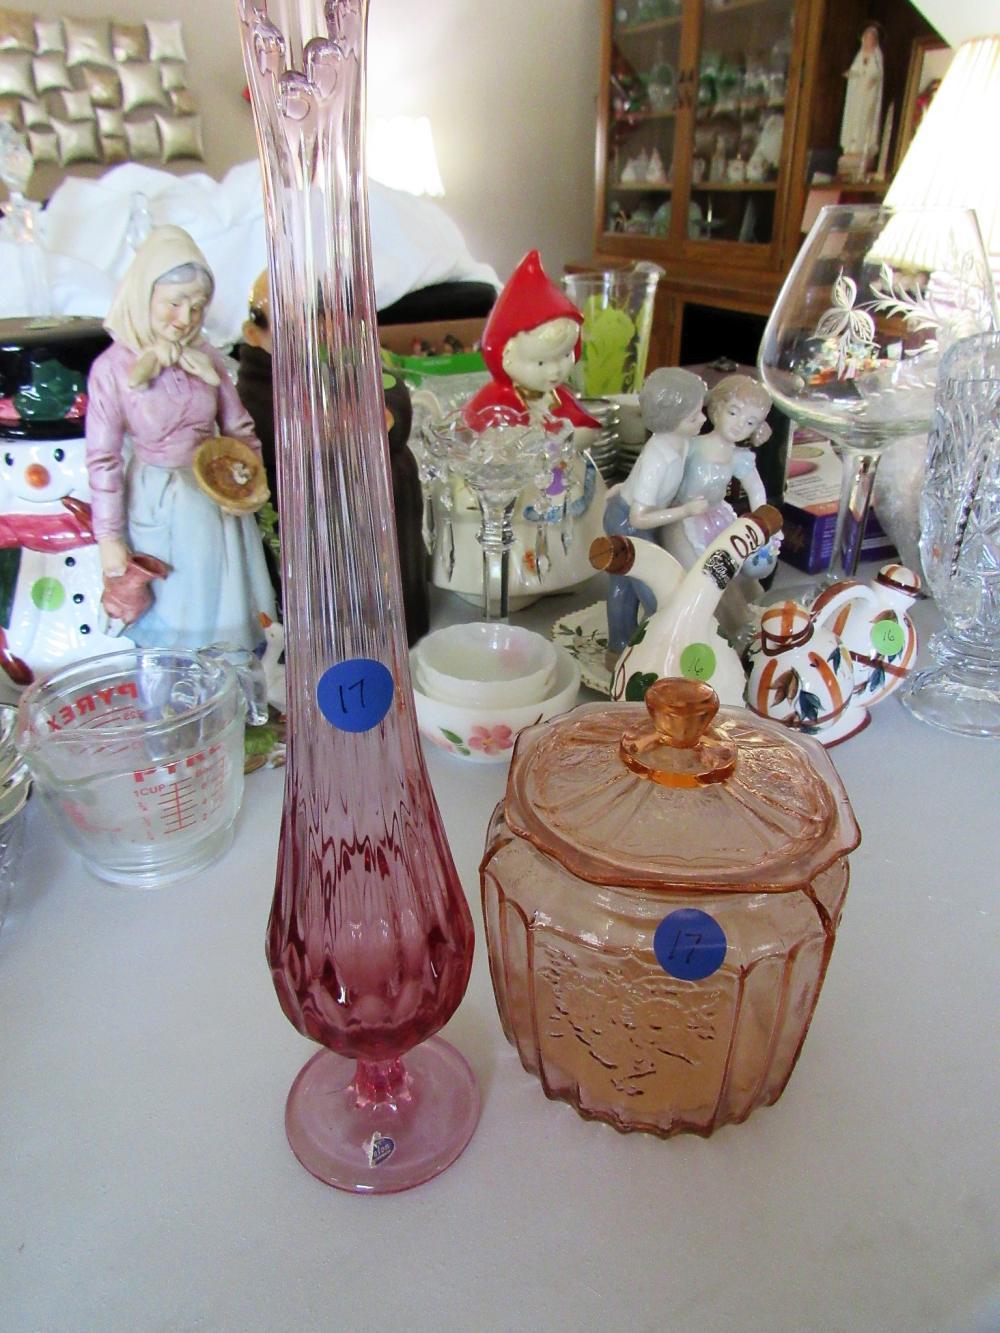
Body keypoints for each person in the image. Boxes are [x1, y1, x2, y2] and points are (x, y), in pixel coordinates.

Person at [86, 226, 275, 653]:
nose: (186, 319)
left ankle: (232, 691)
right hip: (158, 502)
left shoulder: (206, 359)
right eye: (174, 304)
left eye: (197, 306)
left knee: (224, 606)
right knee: (178, 608)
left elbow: (238, 426)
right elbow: (103, 458)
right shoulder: (112, 370)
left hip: (214, 497)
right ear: (143, 295)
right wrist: (110, 537)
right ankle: (177, 693)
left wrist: (249, 484)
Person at [662, 373, 777, 640]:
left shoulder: (739, 457)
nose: (739, 425)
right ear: (716, 408)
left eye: (750, 422)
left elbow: (756, 491)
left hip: (718, 518)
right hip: (684, 519)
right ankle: (714, 632)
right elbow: (662, 474)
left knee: (740, 577)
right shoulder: (691, 446)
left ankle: (746, 629)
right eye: (734, 412)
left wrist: (763, 529)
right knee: (709, 577)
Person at [602, 366, 708, 653]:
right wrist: (685, 511)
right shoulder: (658, 458)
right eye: (694, 416)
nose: (703, 419)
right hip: (627, 522)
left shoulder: (680, 442)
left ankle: (625, 644)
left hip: (635, 513)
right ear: (670, 420)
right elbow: (639, 517)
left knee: (631, 583)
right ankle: (639, 649)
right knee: (651, 589)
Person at [462, 250, 599, 431]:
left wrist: (571, 437)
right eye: (541, 363)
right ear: (506, 357)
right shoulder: (495, 402)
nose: (555, 370)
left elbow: (587, 427)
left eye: (565, 355)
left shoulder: (558, 397)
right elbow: (480, 436)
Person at [839, 23, 884, 179]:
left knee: (865, 121)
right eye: (866, 38)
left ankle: (862, 148)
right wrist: (851, 74)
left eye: (870, 39)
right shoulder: (859, 56)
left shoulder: (876, 57)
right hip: (857, 97)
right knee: (854, 120)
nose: (867, 41)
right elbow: (857, 71)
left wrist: (870, 78)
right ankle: (851, 148)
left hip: (867, 97)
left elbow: (876, 74)